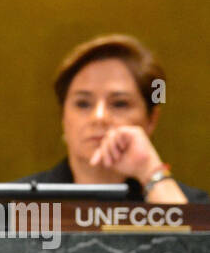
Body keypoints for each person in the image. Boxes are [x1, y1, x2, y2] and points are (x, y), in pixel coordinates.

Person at [19, 34, 207, 202]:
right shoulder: (15, 204)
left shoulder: (193, 204)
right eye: (83, 104)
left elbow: (194, 240)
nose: (99, 117)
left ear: (152, 120)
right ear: (63, 117)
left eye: (119, 104)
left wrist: (151, 174)